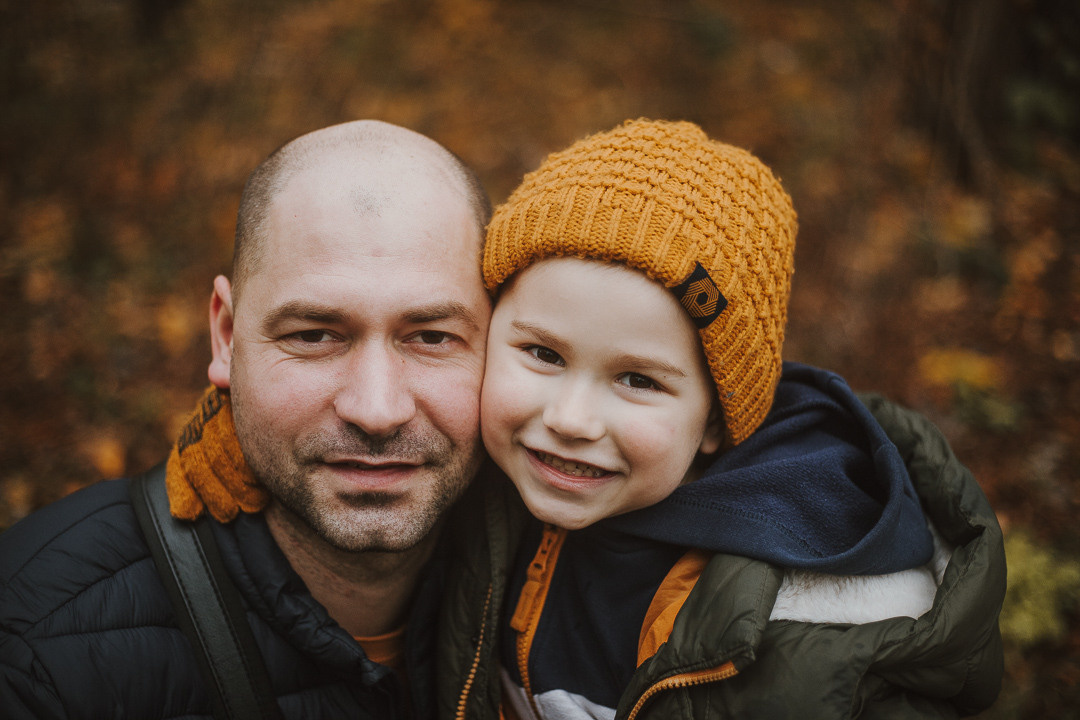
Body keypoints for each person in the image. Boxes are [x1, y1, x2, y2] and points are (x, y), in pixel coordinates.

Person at [470, 119, 1005, 719]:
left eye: (638, 380)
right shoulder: (465, 488)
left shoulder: (817, 632)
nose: (570, 419)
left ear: (716, 423)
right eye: (544, 355)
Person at [0, 119, 506, 719]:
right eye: (315, 335)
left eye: (431, 337)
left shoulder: (575, 579)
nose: (377, 410)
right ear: (226, 335)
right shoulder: (34, 653)